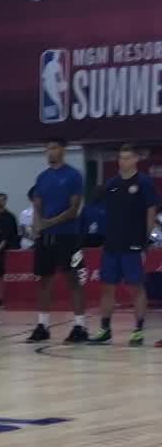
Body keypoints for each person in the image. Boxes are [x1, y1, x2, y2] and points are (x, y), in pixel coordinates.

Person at [92, 143, 158, 345]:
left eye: (128, 157)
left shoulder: (144, 182)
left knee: (136, 287)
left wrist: (145, 240)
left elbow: (150, 210)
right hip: (112, 244)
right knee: (107, 288)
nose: (124, 161)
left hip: (134, 244)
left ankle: (138, 331)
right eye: (121, 158)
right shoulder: (111, 183)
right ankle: (105, 329)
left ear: (136, 159)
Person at [28, 136, 85, 343]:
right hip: (45, 238)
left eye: (53, 148)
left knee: (73, 280)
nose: (49, 152)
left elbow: (74, 209)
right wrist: (36, 227)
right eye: (47, 148)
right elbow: (37, 205)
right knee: (44, 280)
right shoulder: (42, 177)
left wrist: (48, 223)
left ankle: (80, 326)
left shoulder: (73, 176)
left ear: (62, 150)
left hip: (68, 236)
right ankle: (42, 325)